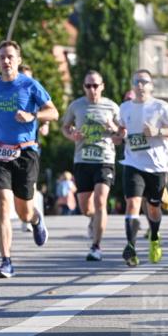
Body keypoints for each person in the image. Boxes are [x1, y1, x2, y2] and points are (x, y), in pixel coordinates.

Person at [0, 40, 57, 278]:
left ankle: (35, 220)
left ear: (18, 60)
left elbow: (53, 112)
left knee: (23, 212)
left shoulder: (30, 85)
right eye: (2, 57)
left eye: (10, 57)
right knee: (1, 202)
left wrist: (32, 115)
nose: (6, 61)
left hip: (26, 152)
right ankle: (6, 261)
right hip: (0, 151)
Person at [117, 69, 168, 266]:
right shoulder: (125, 107)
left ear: (151, 86)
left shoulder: (161, 107)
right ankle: (131, 247)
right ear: (132, 85)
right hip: (133, 163)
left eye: (144, 81)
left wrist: (157, 131)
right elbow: (121, 130)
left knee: (153, 209)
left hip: (156, 166)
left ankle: (154, 237)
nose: (140, 85)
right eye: (137, 81)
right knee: (132, 203)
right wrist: (117, 134)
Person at [61, 70, 120, 261]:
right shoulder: (76, 106)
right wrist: (72, 135)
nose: (92, 89)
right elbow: (65, 127)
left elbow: (123, 133)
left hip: (105, 159)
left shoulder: (112, 107)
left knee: (101, 201)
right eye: (88, 86)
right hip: (82, 160)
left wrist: (115, 129)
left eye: (95, 85)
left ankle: (96, 246)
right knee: (86, 208)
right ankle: (93, 218)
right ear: (84, 87)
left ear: (102, 86)